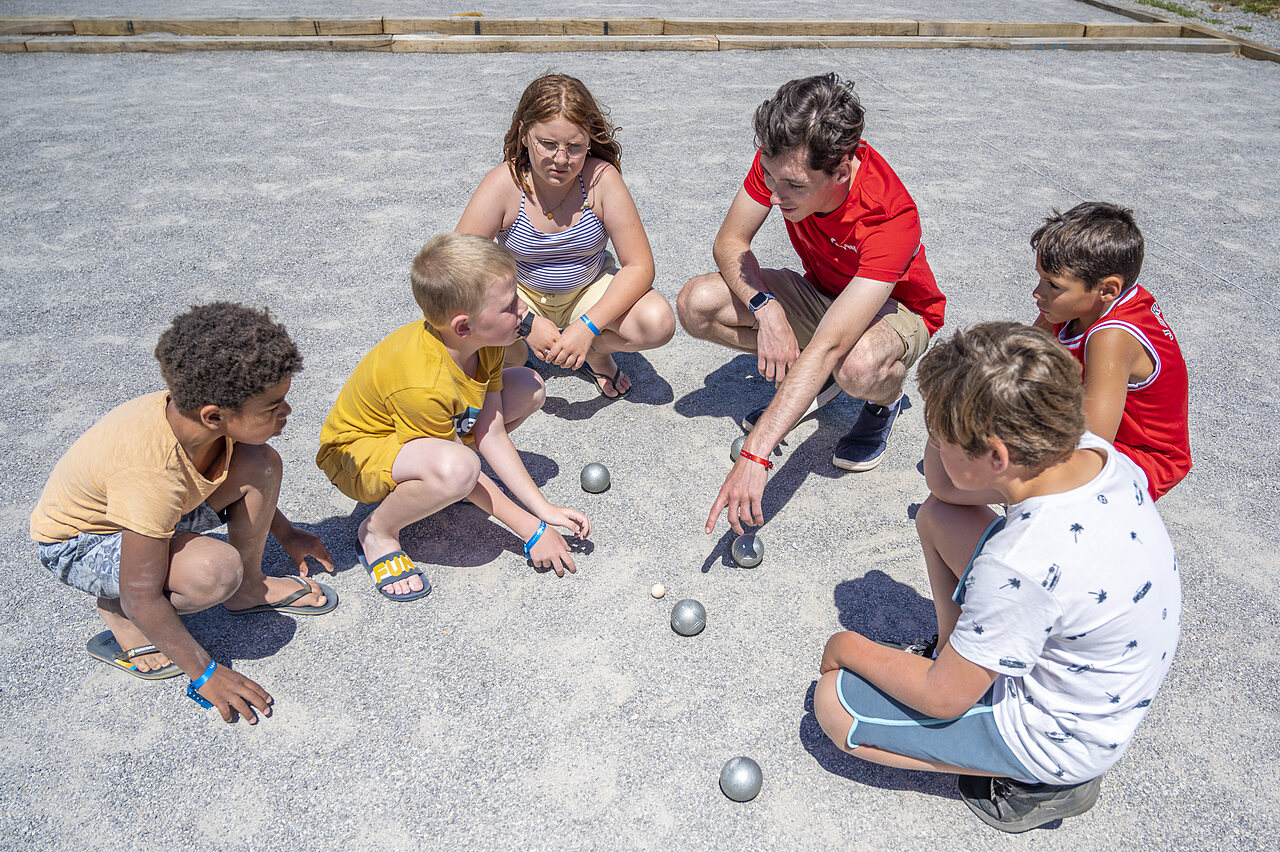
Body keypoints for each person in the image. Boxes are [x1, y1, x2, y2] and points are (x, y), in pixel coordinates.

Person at [813, 323, 1181, 833]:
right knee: (941, 517)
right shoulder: (1092, 450)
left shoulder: (1021, 562)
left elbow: (944, 698)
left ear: (996, 456)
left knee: (834, 703)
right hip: (1093, 674)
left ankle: (1043, 784)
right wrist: (950, 405)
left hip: (1057, 737)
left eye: (940, 440)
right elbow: (945, 491)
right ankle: (955, 651)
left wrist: (846, 645)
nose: (933, 451)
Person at [31, 302, 337, 725]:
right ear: (215, 416)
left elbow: (235, 480)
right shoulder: (151, 470)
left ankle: (250, 586)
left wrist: (285, 533)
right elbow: (143, 593)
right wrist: (205, 674)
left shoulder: (199, 424)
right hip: (84, 542)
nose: (285, 412)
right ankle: (114, 610)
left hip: (153, 516)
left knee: (260, 461)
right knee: (213, 572)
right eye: (272, 406)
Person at [677, 73, 946, 536]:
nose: (775, 196)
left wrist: (755, 454)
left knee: (856, 366)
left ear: (841, 171)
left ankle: (885, 401)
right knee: (696, 303)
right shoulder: (785, 160)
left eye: (794, 188)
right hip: (823, 293)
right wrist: (766, 307)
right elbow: (729, 242)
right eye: (769, 177)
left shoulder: (889, 215)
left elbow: (828, 343)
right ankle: (814, 384)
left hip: (897, 311)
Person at [316, 232, 591, 600]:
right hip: (356, 455)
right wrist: (532, 531)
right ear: (464, 325)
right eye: (510, 306)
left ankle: (447, 485)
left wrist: (543, 508)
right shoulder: (422, 382)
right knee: (460, 468)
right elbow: (467, 461)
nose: (523, 310)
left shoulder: (487, 342)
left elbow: (490, 431)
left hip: (421, 441)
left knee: (528, 386)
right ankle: (377, 532)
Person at [926, 202, 1190, 506]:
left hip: (1139, 458)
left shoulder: (1112, 337)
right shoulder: (1081, 304)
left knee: (953, 487)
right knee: (961, 469)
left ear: (1108, 289)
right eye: (1040, 278)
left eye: (1053, 284)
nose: (1038, 293)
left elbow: (1093, 446)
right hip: (1092, 430)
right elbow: (1017, 358)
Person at [456, 73, 674, 399]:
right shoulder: (504, 184)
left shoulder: (601, 179)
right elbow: (458, 266)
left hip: (586, 287)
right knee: (465, 324)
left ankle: (596, 350)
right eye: (548, 143)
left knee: (658, 322)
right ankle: (513, 352)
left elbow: (639, 266)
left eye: (574, 147)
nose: (561, 159)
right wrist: (523, 320)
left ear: (589, 141)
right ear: (524, 134)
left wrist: (588, 326)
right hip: (519, 292)